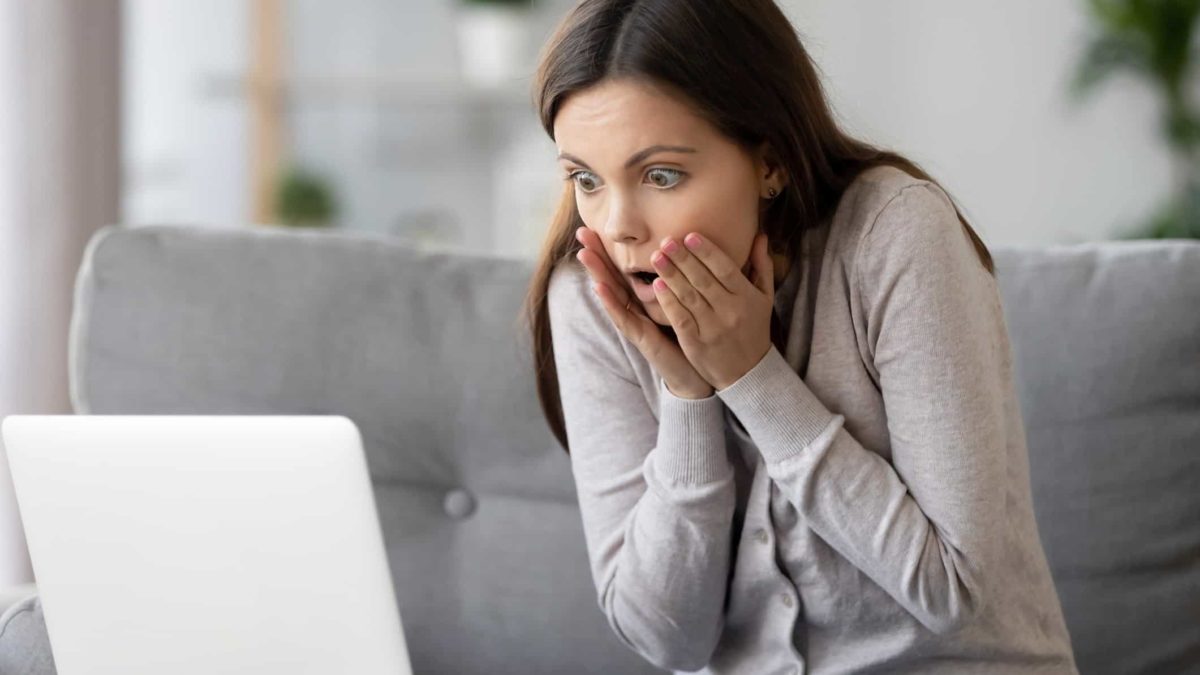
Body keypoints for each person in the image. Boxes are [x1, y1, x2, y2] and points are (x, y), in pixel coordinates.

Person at [521, 1, 1080, 673]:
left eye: (660, 175)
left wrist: (753, 377)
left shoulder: (896, 235)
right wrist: (687, 394)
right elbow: (666, 639)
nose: (618, 227)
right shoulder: (590, 291)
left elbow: (950, 587)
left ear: (772, 162)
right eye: (585, 178)